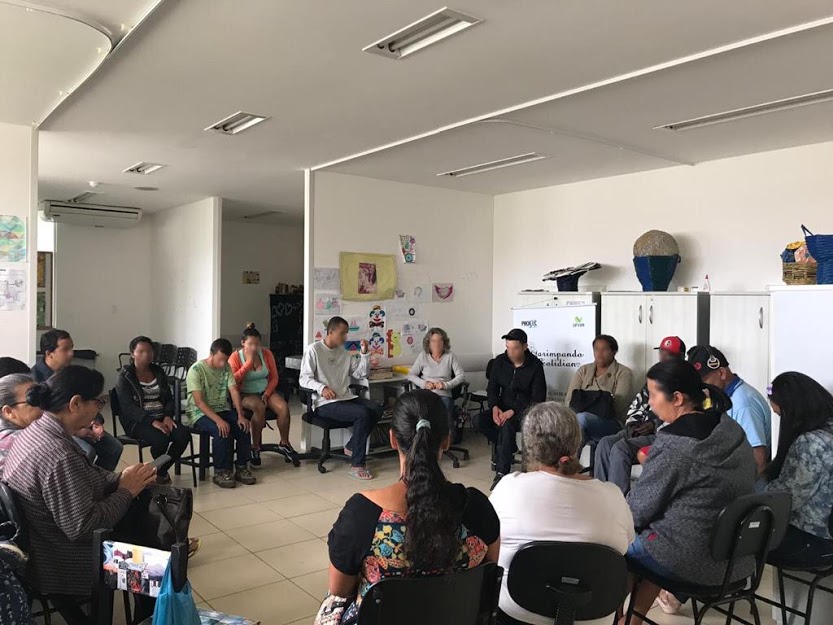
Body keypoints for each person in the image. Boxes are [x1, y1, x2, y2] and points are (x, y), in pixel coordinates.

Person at [317, 390, 500, 625]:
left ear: (393, 439)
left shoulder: (361, 516)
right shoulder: (477, 508)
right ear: (447, 440)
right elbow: (488, 577)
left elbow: (339, 592)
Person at [3, 366, 157, 624]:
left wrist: (121, 478)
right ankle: (151, 615)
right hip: (65, 560)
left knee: (143, 527)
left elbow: (83, 476)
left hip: (46, 545)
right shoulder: (57, 455)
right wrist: (127, 490)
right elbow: (85, 527)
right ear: (75, 403)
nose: (99, 409)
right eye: (98, 402)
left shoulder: (37, 430)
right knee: (158, 570)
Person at [623, 360, 756, 624]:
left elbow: (636, 512)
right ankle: (633, 619)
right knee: (659, 535)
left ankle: (616, 619)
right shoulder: (730, 429)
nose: (650, 403)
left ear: (678, 398)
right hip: (736, 559)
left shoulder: (674, 445)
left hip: (689, 560)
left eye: (653, 395)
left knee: (614, 545)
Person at [491, 402, 634, 625]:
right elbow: (626, 545)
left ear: (530, 447)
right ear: (577, 442)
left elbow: (489, 545)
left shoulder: (508, 488)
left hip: (519, 614)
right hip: (594, 617)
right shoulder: (613, 495)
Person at [594, 336, 685, 495]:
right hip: (639, 429)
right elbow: (637, 404)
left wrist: (654, 424)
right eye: (662, 353)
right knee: (605, 443)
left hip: (660, 434)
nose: (664, 357)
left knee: (620, 448)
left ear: (681, 357)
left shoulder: (685, 380)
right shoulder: (656, 376)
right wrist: (633, 424)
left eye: (669, 354)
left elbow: (681, 414)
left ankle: (619, 501)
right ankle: (600, 495)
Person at [761, 372, 833, 569]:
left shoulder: (811, 443)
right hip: (825, 535)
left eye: (781, 415)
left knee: (736, 540)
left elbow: (787, 499)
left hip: (814, 539)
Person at [300, 316, 383, 481]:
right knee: (362, 414)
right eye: (342, 333)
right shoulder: (314, 350)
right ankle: (357, 464)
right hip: (324, 403)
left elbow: (360, 373)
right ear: (331, 332)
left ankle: (352, 446)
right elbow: (304, 379)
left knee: (376, 409)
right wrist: (322, 388)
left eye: (346, 333)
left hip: (344, 398)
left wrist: (364, 354)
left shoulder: (344, 353)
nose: (345, 337)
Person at [32, 328, 124, 471]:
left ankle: (98, 481)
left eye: (72, 348)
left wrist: (96, 422)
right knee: (86, 452)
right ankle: (81, 481)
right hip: (57, 430)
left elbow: (89, 400)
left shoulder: (71, 373)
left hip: (80, 423)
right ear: (49, 354)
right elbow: (39, 416)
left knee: (114, 447)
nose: (71, 354)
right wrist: (76, 431)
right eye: (65, 349)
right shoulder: (34, 378)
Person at [476, 328, 546, 491]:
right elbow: (492, 388)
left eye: (515, 348)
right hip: (502, 407)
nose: (510, 352)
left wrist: (513, 411)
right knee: (478, 421)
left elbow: (538, 398)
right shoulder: (500, 362)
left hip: (525, 411)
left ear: (525, 347)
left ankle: (502, 473)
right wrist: (494, 407)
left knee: (507, 427)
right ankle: (508, 447)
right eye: (508, 348)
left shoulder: (535, 366)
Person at [115, 336, 191, 484]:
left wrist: (168, 416)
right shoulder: (125, 376)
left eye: (149, 351)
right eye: (141, 351)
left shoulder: (158, 372)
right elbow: (127, 407)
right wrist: (152, 421)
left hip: (162, 417)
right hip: (138, 422)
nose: (146, 354)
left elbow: (168, 398)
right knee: (161, 438)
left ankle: (159, 470)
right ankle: (159, 471)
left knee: (183, 435)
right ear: (132, 354)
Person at [687, 345, 771, 473]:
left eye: (704, 381)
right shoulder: (725, 397)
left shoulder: (743, 404)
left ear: (721, 373)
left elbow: (758, 459)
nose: (702, 387)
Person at [185, 338, 256, 488]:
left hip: (222, 408)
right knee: (221, 430)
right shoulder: (196, 370)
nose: (223, 364)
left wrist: (240, 415)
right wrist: (218, 420)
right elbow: (199, 402)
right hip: (199, 413)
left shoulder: (226, 368)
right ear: (211, 354)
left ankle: (241, 466)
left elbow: (234, 390)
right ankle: (221, 471)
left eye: (225, 360)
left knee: (243, 427)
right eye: (220, 360)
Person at [228, 323, 296, 466]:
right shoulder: (235, 357)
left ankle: (284, 443)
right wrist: (248, 363)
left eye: (257, 344)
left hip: (265, 390)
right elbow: (233, 380)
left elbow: (274, 377)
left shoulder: (266, 354)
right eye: (250, 344)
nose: (254, 348)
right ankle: (255, 447)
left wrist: (267, 393)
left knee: (283, 407)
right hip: (245, 393)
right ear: (243, 343)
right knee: (259, 406)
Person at [565, 334, 633, 448]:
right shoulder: (583, 370)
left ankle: (571, 457)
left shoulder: (624, 373)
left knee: (582, 418)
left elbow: (618, 406)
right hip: (580, 421)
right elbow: (569, 400)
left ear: (614, 351)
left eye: (604, 349)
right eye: (596, 349)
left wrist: (586, 404)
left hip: (611, 422)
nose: (599, 353)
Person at [407, 327, 466, 435]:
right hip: (426, 394)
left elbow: (461, 375)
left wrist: (445, 385)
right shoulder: (423, 356)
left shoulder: (450, 356)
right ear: (428, 343)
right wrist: (424, 384)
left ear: (444, 342)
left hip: (444, 394)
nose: (437, 344)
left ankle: (446, 438)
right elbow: (411, 375)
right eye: (433, 341)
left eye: (440, 341)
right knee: (423, 412)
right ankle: (424, 438)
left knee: (444, 411)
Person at [0, 373, 43, 473]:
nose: (43, 405)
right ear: (8, 411)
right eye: (34, 400)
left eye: (43, 397)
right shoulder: (25, 441)